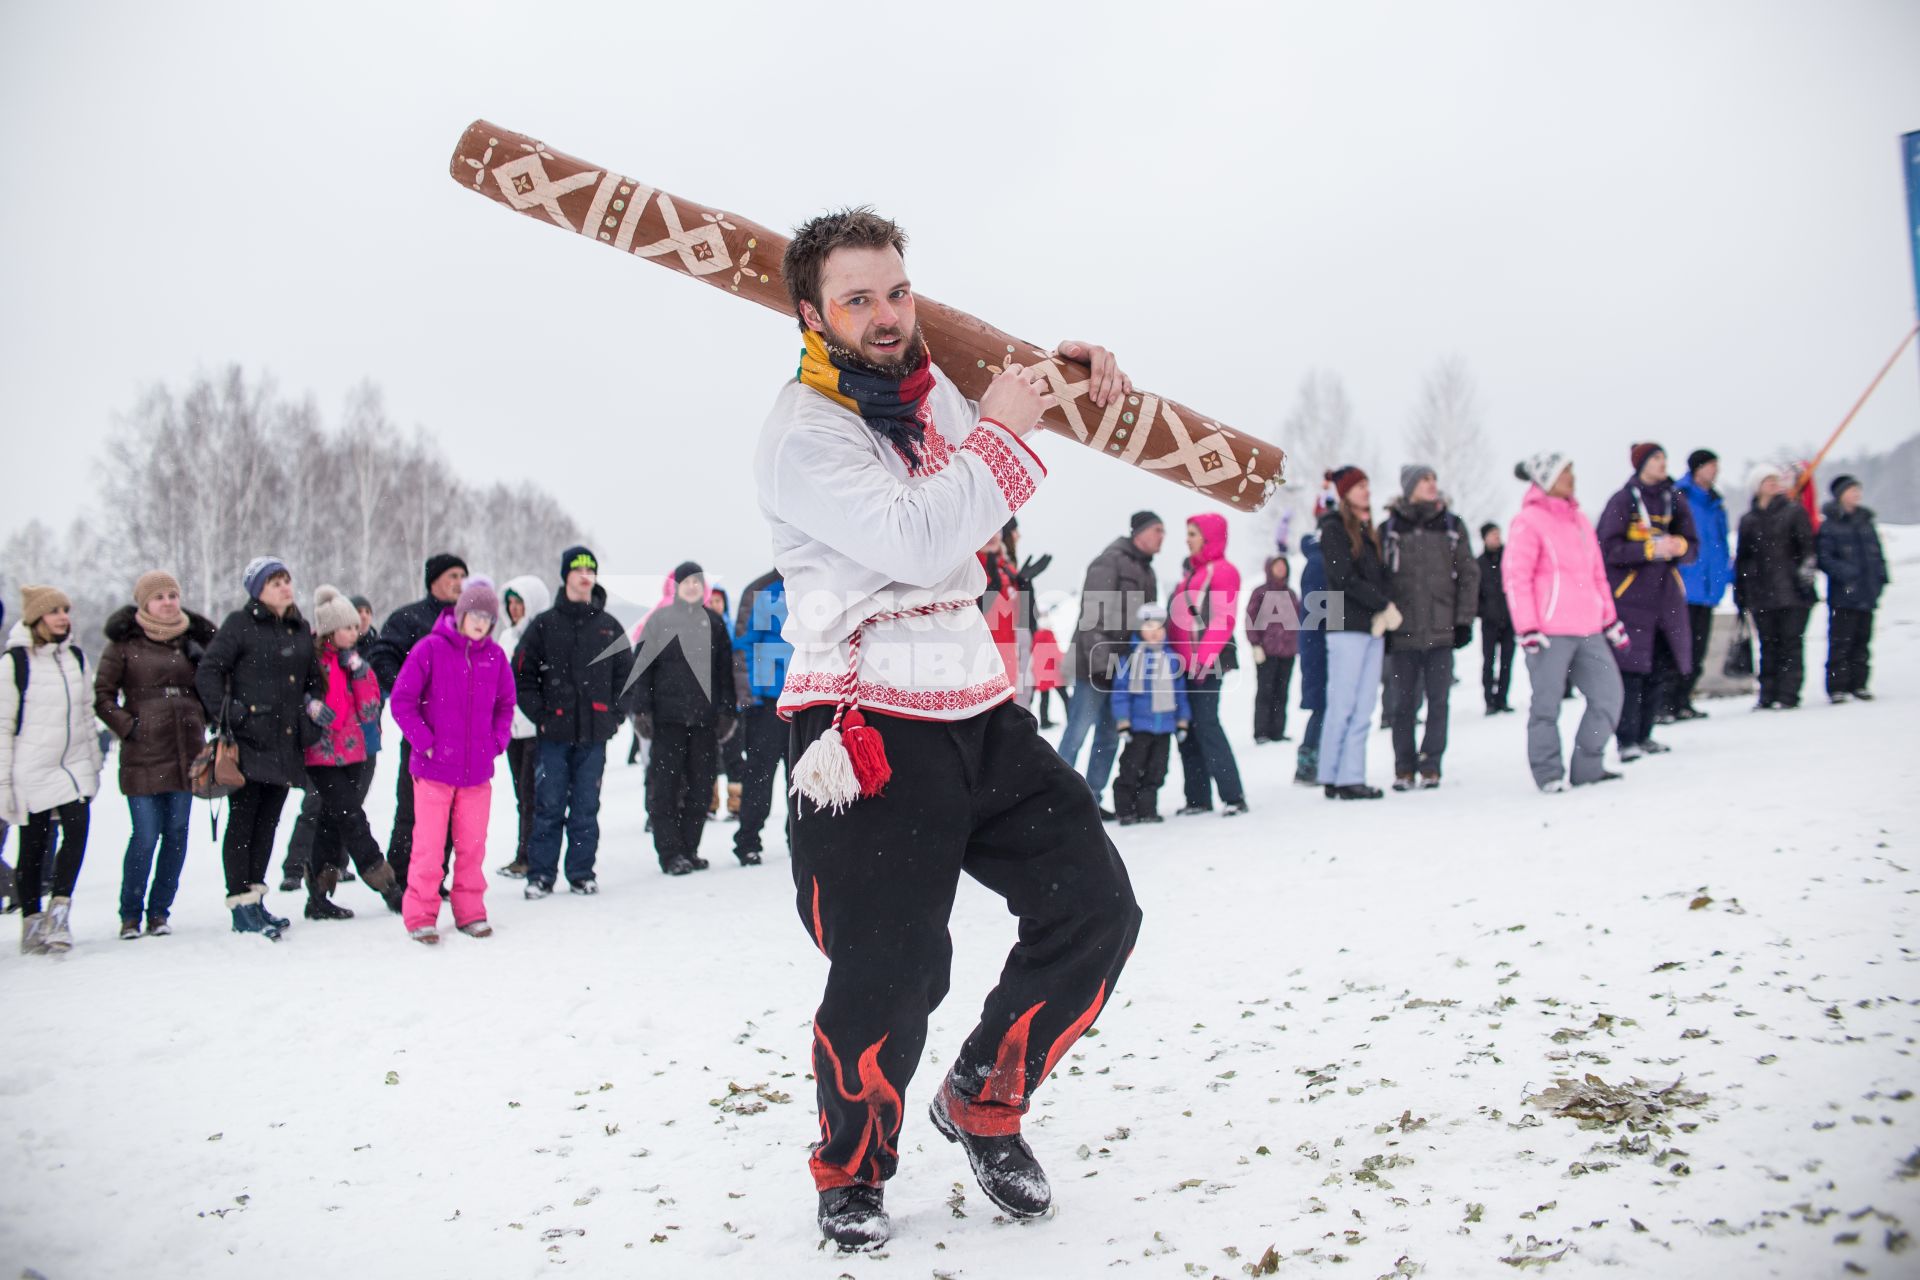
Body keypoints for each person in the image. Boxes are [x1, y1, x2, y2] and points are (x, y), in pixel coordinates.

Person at [757, 208, 1142, 1248]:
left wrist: (1069, 370)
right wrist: (1008, 427)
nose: (885, 317)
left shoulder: (937, 391)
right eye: (857, 300)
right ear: (811, 312)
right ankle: (853, 1168)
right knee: (891, 967)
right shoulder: (805, 431)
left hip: (977, 702)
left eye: (895, 291)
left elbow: (997, 441)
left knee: (1097, 906)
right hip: (865, 717)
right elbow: (927, 535)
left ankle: (984, 1094)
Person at [195, 557, 324, 939]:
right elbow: (208, 671)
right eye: (274, 582)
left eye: (286, 580)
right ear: (258, 591)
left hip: (286, 744)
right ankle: (240, 903)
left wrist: (312, 709)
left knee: (268, 824)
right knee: (243, 822)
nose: (285, 587)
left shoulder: (300, 629)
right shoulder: (240, 625)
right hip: (249, 742)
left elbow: (313, 680)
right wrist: (231, 713)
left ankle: (256, 897)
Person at [391, 577, 516, 943]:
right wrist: (425, 742)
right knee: (429, 847)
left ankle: (470, 911)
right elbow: (402, 701)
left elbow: (506, 704)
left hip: (477, 771)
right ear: (461, 613)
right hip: (433, 770)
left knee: (472, 846)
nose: (480, 622)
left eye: (487, 617)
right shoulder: (430, 649)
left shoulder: (495, 657)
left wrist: (496, 741)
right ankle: (420, 915)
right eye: (474, 613)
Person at [93, 571, 215, 939]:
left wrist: (202, 715)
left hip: (187, 751)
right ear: (144, 603)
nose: (168, 602)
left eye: (172, 595)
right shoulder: (124, 644)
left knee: (177, 834)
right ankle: (131, 913)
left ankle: (160, 911)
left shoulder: (192, 642)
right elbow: (102, 695)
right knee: (145, 835)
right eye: (159, 596)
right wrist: (131, 727)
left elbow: (212, 684)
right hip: (144, 754)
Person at [513, 545, 634, 897]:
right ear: (565, 575)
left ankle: (581, 873)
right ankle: (540, 875)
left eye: (590, 570)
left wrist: (613, 718)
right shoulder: (544, 625)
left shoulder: (608, 627)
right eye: (578, 569)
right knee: (548, 805)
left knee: (586, 806)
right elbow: (521, 675)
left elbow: (627, 677)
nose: (585, 576)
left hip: (594, 736)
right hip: (553, 735)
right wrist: (541, 716)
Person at [1502, 455, 1628, 791]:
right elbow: (1516, 577)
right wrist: (1527, 626)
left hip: (1589, 627)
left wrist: (1609, 618)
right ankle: (1548, 773)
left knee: (1609, 696)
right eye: (1564, 473)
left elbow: (1597, 574)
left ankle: (1588, 766)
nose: (1571, 478)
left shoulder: (1580, 520)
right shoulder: (1528, 521)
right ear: (1546, 479)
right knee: (1546, 705)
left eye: (1572, 471)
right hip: (1548, 631)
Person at [3, 585, 103, 953]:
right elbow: (2, 725)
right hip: (31, 767)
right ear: (35, 617)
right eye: (54, 611)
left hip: (73, 765)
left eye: (66, 609)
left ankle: (59, 911)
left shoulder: (75, 657)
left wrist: (92, 765)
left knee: (76, 835)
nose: (63, 616)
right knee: (34, 846)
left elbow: (86, 713)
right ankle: (31, 919)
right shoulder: (15, 663)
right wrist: (4, 782)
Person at [632, 562, 738, 875]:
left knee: (701, 788)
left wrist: (727, 713)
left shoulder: (714, 623)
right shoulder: (660, 620)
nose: (691, 586)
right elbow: (643, 669)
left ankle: (689, 849)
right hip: (667, 722)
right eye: (685, 581)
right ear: (675, 586)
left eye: (696, 581)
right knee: (664, 788)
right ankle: (670, 853)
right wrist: (641, 710)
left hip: (704, 723)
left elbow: (724, 674)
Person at [1378, 465, 1479, 789]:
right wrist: (1383, 621)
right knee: (1402, 704)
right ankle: (1404, 768)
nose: (1432, 484)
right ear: (1409, 487)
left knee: (1439, 701)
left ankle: (1431, 764)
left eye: (1434, 478)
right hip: (1402, 631)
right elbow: (1378, 578)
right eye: (1425, 480)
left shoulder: (1451, 525)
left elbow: (1469, 574)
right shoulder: (1389, 529)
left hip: (1441, 628)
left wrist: (1463, 620)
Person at [299, 586, 396, 921]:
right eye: (348, 627)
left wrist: (359, 672)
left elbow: (370, 709)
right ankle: (386, 883)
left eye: (357, 627)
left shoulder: (355, 662)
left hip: (355, 752)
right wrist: (309, 706)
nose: (355, 632)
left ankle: (319, 895)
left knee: (331, 819)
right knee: (352, 816)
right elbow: (297, 695)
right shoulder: (310, 661)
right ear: (329, 629)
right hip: (322, 755)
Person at [369, 553, 467, 885]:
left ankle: (435, 876)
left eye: (463, 576)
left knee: (453, 813)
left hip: (460, 737)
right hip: (421, 733)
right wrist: (410, 693)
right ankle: (402, 877)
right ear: (433, 580)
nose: (459, 582)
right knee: (413, 808)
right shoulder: (409, 619)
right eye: (452, 575)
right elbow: (381, 657)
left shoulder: (470, 621)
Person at [1596, 443, 1697, 760]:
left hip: (1665, 596)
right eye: (1655, 458)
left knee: (1659, 665)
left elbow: (1693, 545)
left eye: (1665, 458)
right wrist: (1646, 551)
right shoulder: (1623, 500)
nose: (1662, 464)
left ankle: (1646, 733)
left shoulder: (1675, 498)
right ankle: (1627, 739)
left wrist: (1679, 545)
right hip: (1630, 597)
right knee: (1631, 670)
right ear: (1640, 465)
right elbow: (1607, 548)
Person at [1061, 512, 1162, 815]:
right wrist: (1102, 663)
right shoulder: (1110, 561)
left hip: (1122, 670)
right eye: (1158, 530)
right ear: (1140, 533)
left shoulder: (1147, 571)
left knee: (1108, 735)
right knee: (1077, 732)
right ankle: (1053, 800)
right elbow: (1093, 615)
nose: (1162, 538)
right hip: (1094, 666)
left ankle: (1091, 799)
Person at [1315, 469, 1394, 800]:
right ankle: (1334, 774)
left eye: (1367, 485)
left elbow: (1377, 576)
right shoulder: (1333, 529)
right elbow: (1342, 577)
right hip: (1345, 625)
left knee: (1363, 704)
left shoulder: (1368, 531)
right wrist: (1382, 604)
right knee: (1343, 703)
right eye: (1360, 486)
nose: (1367, 491)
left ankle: (1348, 774)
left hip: (1371, 626)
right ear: (1345, 493)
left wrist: (1383, 607)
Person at [1169, 514, 1248, 816]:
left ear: (1209, 537)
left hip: (1207, 664)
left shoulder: (1223, 571)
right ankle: (1197, 798)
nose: (1187, 539)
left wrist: (1204, 659)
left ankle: (1233, 795)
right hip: (1183, 667)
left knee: (1207, 724)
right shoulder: (1191, 573)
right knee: (1188, 728)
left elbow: (1222, 619)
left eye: (1193, 533)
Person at [1735, 464, 1817, 710]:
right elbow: (1743, 558)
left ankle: (1789, 693)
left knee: (1791, 643)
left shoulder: (1793, 511)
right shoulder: (1748, 520)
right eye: (1766, 480)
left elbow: (1807, 550)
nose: (1773, 484)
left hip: (1791, 591)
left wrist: (1804, 580)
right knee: (1768, 644)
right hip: (1761, 593)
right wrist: (1741, 592)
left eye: (1775, 479)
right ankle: (1767, 693)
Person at [730, 568, 791, 864]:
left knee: (805, 779)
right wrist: (748, 696)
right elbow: (742, 645)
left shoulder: (816, 584)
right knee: (759, 774)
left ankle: (802, 840)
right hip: (767, 702)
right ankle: (748, 840)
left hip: (806, 702)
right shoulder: (762, 590)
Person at [494, 574, 552, 878]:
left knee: (533, 796)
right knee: (521, 795)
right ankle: (525, 851)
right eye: (511, 603)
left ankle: (530, 855)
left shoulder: (543, 636)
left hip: (535, 728)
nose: (515, 609)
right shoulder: (506, 637)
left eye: (520, 603)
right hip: (512, 729)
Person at [1109, 603, 1190, 824]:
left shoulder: (1172, 659)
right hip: (1139, 726)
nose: (1154, 632)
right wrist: (1123, 721)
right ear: (1140, 630)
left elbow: (1180, 693)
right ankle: (1125, 809)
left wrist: (1182, 721)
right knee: (1131, 768)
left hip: (1164, 726)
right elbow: (1121, 693)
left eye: (1159, 628)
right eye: (1149, 627)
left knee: (1157, 771)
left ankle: (1147, 809)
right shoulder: (1131, 659)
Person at [1817, 474, 1888, 703]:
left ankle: (1860, 684)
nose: (1856, 494)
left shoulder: (1866, 521)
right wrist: (1847, 573)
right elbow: (1825, 558)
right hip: (1843, 593)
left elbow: (1877, 554)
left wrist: (1881, 578)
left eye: (1858, 490)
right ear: (1840, 495)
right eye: (1851, 490)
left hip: (1867, 590)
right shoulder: (1831, 525)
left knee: (1862, 640)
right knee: (1840, 640)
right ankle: (1837, 686)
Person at [1672, 449, 1731, 719]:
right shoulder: (1679, 496)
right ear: (1696, 468)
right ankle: (1668, 701)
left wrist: (1725, 576)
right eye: (1709, 465)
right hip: (1685, 584)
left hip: (1708, 586)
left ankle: (1683, 699)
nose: (1715, 471)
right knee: (1678, 647)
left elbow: (1719, 544)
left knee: (1698, 648)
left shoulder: (1715, 503)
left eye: (1716, 466)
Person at [1293, 493, 1335, 784]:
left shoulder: (1319, 558)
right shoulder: (1322, 562)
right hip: (1321, 645)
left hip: (1317, 644)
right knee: (1325, 705)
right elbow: (1320, 612)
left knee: (1325, 706)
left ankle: (1315, 760)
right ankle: (1310, 763)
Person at [1245, 555, 1301, 743]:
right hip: (1266, 651)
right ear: (1269, 568)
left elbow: (1298, 620)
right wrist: (1255, 644)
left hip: (1287, 652)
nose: (1280, 569)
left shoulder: (1291, 594)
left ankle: (1278, 730)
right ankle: (1261, 731)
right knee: (1265, 692)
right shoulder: (1260, 593)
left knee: (1282, 692)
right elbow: (1250, 618)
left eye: (1283, 566)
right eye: (1277, 566)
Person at [707, 585, 747, 820]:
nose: (714, 605)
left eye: (718, 601)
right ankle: (709, 803)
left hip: (734, 705)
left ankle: (737, 804)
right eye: (710, 601)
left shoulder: (734, 632)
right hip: (707, 704)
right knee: (707, 757)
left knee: (734, 756)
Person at [1476, 523, 1515, 715]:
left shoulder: (1509, 559)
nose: (1496, 538)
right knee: (1488, 663)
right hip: (1489, 622)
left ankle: (1503, 698)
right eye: (1492, 534)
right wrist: (1483, 611)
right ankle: (1489, 701)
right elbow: (1474, 593)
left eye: (1498, 534)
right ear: (1484, 538)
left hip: (1509, 621)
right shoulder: (1479, 563)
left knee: (1507, 662)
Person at [1030, 615, 1065, 727]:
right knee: (1065, 697)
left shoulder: (1035, 637)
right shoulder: (1049, 636)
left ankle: (1044, 722)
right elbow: (1057, 655)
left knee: (1044, 697)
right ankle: (1072, 719)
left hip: (1040, 674)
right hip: (1052, 673)